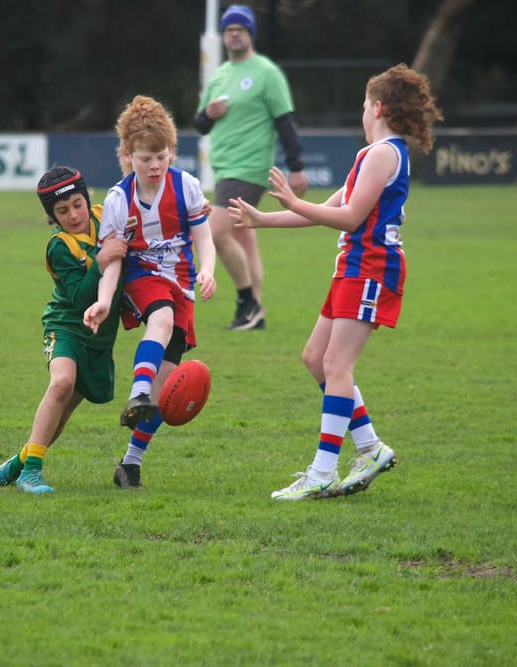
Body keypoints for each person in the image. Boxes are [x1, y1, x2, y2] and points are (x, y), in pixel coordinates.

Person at [229, 64, 442, 501]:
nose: (362, 113)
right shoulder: (373, 155)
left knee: (337, 366)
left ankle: (323, 470)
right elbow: (329, 207)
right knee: (315, 358)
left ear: (378, 107)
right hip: (354, 265)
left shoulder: (383, 153)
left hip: (370, 266)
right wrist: (263, 219)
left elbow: (348, 218)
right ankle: (369, 448)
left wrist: (292, 200)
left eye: (365, 105)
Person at [84, 95, 217, 489]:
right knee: (159, 318)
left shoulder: (187, 186)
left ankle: (130, 463)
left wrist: (207, 271)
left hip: (181, 286)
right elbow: (112, 261)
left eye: (161, 156)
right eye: (145, 159)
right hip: (143, 277)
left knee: (166, 389)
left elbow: (204, 238)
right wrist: (105, 300)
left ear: (171, 151)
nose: (155, 166)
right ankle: (137, 391)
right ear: (127, 155)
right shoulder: (118, 200)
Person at [0, 167, 127, 495]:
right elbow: (80, 297)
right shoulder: (59, 247)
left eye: (77, 204)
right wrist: (101, 259)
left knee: (63, 411)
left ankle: (14, 467)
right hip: (66, 324)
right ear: (51, 217)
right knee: (61, 384)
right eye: (62, 210)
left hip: (99, 335)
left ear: (88, 199)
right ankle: (32, 474)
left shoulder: (107, 217)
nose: (73, 214)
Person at [195, 4, 308, 331]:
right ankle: (255, 313)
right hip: (224, 167)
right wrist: (210, 115)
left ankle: (247, 303)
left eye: (240, 29)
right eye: (229, 29)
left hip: (249, 167)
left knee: (217, 232)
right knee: (244, 237)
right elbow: (200, 123)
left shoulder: (266, 72)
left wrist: (297, 167)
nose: (233, 34)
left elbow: (285, 122)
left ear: (250, 34)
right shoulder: (218, 75)